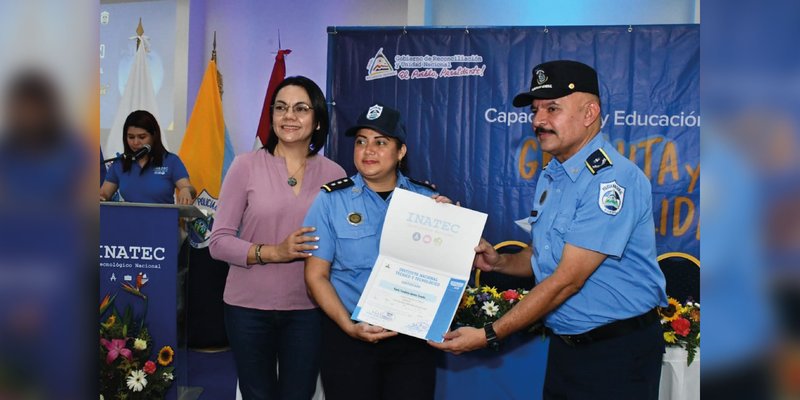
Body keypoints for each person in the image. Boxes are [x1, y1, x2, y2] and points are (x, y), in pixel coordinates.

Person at [430, 60, 668, 399]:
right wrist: (499, 262)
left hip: (616, 353)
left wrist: (489, 334)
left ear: (590, 113)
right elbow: (543, 256)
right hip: (566, 349)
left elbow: (568, 279)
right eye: (536, 110)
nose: (538, 121)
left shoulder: (611, 179)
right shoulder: (553, 174)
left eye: (552, 109)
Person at [208, 76, 345, 400]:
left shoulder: (335, 175)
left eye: (301, 108)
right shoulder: (245, 166)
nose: (289, 116)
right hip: (247, 309)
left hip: (309, 308)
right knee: (258, 395)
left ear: (318, 119)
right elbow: (218, 241)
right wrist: (273, 252)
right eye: (281, 108)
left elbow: (352, 239)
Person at [303, 103, 451, 400]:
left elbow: (443, 275)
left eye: (380, 142)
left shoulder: (427, 201)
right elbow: (316, 276)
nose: (368, 150)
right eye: (361, 141)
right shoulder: (331, 200)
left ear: (401, 152)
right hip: (349, 337)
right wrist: (348, 326)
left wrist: (450, 228)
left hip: (410, 340)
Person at [100, 110, 196, 204]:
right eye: (131, 137)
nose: (135, 142)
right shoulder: (120, 162)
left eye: (142, 137)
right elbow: (104, 193)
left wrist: (185, 190)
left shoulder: (171, 161)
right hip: (128, 218)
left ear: (154, 136)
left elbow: (189, 188)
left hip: (163, 218)